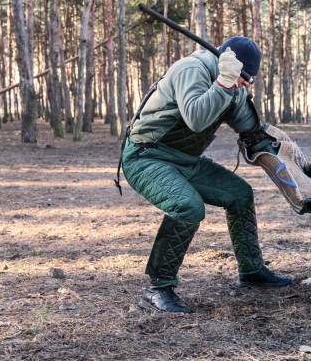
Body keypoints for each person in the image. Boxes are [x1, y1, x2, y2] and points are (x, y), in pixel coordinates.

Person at [121, 37, 291, 313]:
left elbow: (251, 129)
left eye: (246, 81)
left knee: (240, 194)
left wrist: (289, 160)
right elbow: (196, 118)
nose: (241, 84)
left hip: (186, 161)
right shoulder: (193, 70)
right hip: (146, 157)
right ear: (227, 65)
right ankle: (157, 289)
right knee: (187, 206)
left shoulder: (234, 84)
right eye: (240, 77)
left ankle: (251, 272)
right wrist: (224, 82)